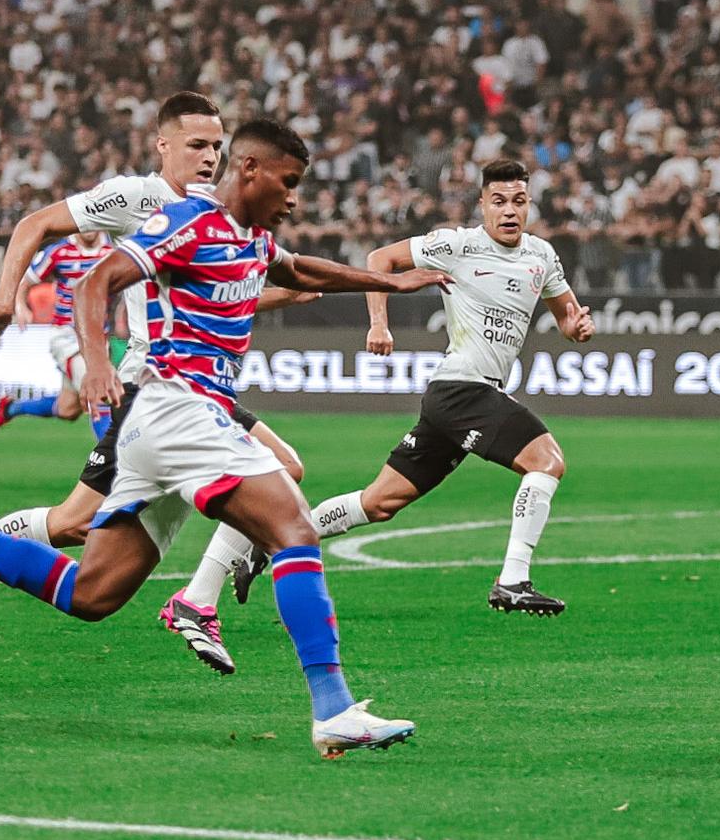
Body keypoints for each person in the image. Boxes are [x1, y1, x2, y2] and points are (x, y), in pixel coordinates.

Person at [0, 118, 452, 756]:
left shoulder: (251, 237)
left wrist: (387, 282)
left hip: (175, 423)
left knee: (92, 594)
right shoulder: (186, 221)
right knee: (294, 528)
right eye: (289, 182)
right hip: (176, 408)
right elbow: (95, 282)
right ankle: (331, 707)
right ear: (250, 171)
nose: (294, 198)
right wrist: (97, 365)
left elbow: (301, 269)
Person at [0, 92, 308, 677]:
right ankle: (195, 602)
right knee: (77, 523)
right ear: (163, 146)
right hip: (147, 392)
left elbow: (228, 292)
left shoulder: (226, 214)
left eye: (216, 146)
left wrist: (294, 287)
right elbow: (38, 223)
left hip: (198, 392)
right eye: (196, 146)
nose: (210, 157)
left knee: (76, 523)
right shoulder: (139, 198)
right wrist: (8, 293)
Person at [250, 159, 594, 616]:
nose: (509, 211)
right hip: (462, 389)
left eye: (518, 201)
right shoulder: (457, 244)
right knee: (546, 461)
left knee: (379, 502)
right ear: (482, 206)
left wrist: (578, 326)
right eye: (499, 202)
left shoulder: (542, 257)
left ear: (528, 204)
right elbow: (381, 259)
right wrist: (379, 325)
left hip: (461, 399)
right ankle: (513, 579)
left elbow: (567, 317)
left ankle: (273, 541)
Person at [0, 229, 117, 440]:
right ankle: (112, 465)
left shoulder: (114, 249)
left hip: (99, 338)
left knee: (68, 409)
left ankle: (11, 409)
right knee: (97, 394)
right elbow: (25, 282)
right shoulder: (59, 251)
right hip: (67, 336)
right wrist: (21, 306)